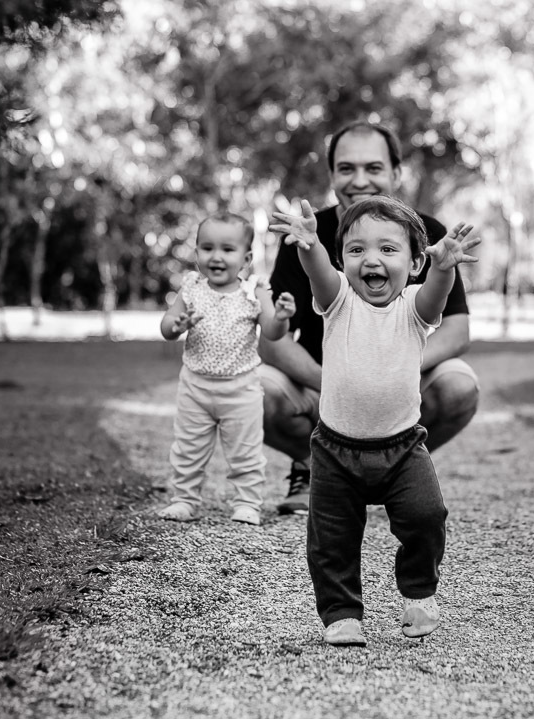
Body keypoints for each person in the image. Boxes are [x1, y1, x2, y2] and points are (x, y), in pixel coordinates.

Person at [269, 194, 481, 646]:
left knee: (428, 514)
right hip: (334, 450)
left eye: (388, 249)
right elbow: (320, 275)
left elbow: (436, 296)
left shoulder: (413, 309)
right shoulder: (338, 301)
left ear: (415, 262)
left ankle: (419, 592)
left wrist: (445, 267)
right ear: (343, 257)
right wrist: (309, 246)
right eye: (357, 249)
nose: (372, 260)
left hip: (403, 448)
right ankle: (342, 614)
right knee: (332, 540)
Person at [259, 121, 479, 516]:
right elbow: (270, 338)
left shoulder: (429, 234)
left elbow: (457, 331)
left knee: (459, 384)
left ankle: (400, 470)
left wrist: (388, 369)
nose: (360, 180)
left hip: (399, 387)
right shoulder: (305, 237)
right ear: (332, 175)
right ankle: (315, 467)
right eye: (346, 168)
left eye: (373, 168)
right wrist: (340, 378)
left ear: (396, 173)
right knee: (255, 391)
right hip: (319, 387)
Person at [158, 213, 297, 526]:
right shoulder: (191, 288)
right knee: (188, 449)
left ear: (246, 258)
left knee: (245, 452)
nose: (216, 257)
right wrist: (175, 325)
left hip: (241, 388)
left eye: (227, 249)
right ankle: (184, 500)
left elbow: (272, 332)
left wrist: (283, 317)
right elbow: (167, 326)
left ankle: (247, 503)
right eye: (207, 248)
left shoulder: (254, 291)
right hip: (195, 386)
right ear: (196, 253)